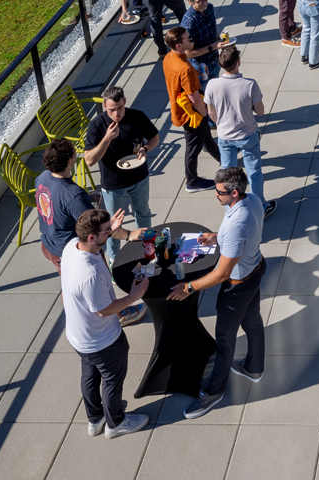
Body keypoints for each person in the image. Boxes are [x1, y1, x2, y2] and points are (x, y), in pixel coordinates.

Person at [169, 166, 267, 419]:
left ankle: (213, 392)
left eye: (219, 191)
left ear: (234, 192)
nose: (215, 194)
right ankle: (254, 368)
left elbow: (223, 273)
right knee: (253, 321)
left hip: (237, 286)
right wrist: (216, 238)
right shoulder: (253, 199)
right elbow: (244, 236)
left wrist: (189, 287)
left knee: (224, 340)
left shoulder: (237, 223)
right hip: (255, 270)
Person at [61, 207, 150, 439]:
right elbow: (104, 310)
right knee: (112, 380)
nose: (110, 232)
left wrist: (109, 228)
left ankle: (95, 418)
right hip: (102, 340)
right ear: (92, 237)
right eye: (105, 232)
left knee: (89, 377)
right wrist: (133, 296)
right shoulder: (89, 274)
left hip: (79, 338)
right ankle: (116, 423)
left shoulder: (72, 247)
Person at [36, 138, 141, 278]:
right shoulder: (73, 195)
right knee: (98, 286)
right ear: (69, 161)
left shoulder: (42, 177)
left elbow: (56, 204)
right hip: (73, 253)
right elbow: (97, 228)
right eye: (74, 151)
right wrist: (129, 235)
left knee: (71, 289)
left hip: (50, 246)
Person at [83, 85, 159, 256]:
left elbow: (154, 137)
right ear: (104, 106)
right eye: (111, 110)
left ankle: (147, 249)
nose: (116, 114)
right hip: (113, 185)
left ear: (125, 101)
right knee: (112, 225)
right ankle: (114, 260)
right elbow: (89, 160)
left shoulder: (137, 117)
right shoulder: (97, 126)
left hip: (139, 178)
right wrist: (107, 139)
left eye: (119, 108)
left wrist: (145, 149)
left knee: (143, 214)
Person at [205, 44, 275, 216]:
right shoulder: (249, 84)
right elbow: (260, 111)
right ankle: (260, 207)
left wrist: (221, 124)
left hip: (224, 136)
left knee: (228, 176)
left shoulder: (212, 85)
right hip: (247, 134)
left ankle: (232, 208)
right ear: (238, 62)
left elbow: (211, 114)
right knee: (254, 172)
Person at [163, 27, 221, 189]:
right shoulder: (185, 69)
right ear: (178, 45)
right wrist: (205, 112)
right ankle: (192, 181)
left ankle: (222, 158)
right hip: (192, 114)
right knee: (193, 147)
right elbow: (194, 97)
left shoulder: (169, 58)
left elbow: (178, 80)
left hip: (181, 109)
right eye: (187, 39)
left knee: (205, 137)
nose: (191, 39)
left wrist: (195, 72)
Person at [180, 0, 226, 91]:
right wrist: (213, 47)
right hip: (201, 68)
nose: (204, 2)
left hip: (215, 60)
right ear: (190, 2)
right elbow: (188, 54)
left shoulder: (209, 8)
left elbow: (213, 27)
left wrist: (220, 42)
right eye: (200, 1)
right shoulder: (189, 23)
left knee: (216, 92)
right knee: (204, 96)